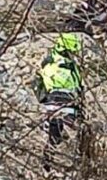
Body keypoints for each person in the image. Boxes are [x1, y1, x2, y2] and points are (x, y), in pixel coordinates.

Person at [35, 33, 85, 171]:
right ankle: (48, 166)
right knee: (59, 135)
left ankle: (50, 165)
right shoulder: (56, 63)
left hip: (66, 101)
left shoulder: (63, 63)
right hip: (59, 100)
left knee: (60, 137)